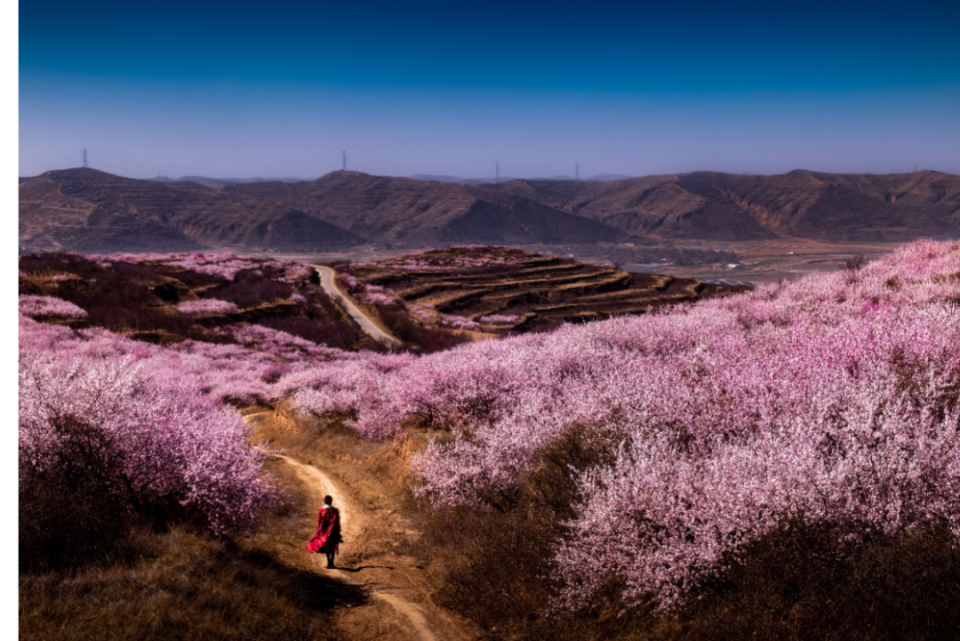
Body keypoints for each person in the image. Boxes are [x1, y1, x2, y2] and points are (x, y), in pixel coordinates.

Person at [307, 495, 343, 569]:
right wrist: (338, 531)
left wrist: (319, 530)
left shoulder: (322, 511)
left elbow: (320, 522)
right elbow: (337, 521)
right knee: (333, 546)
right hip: (333, 531)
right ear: (331, 501)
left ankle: (328, 563)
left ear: (324, 501)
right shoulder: (335, 510)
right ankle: (332, 563)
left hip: (324, 532)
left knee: (327, 546)